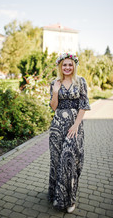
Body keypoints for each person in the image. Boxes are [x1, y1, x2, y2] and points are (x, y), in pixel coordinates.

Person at [48, 52, 90, 213]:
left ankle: (70, 199)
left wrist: (76, 125)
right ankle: (56, 196)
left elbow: (84, 105)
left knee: (70, 161)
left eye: (70, 64)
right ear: (60, 66)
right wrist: (56, 91)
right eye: (64, 64)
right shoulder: (55, 83)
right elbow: (53, 107)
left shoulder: (81, 82)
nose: (67, 67)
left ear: (74, 66)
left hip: (74, 127)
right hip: (57, 126)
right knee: (57, 161)